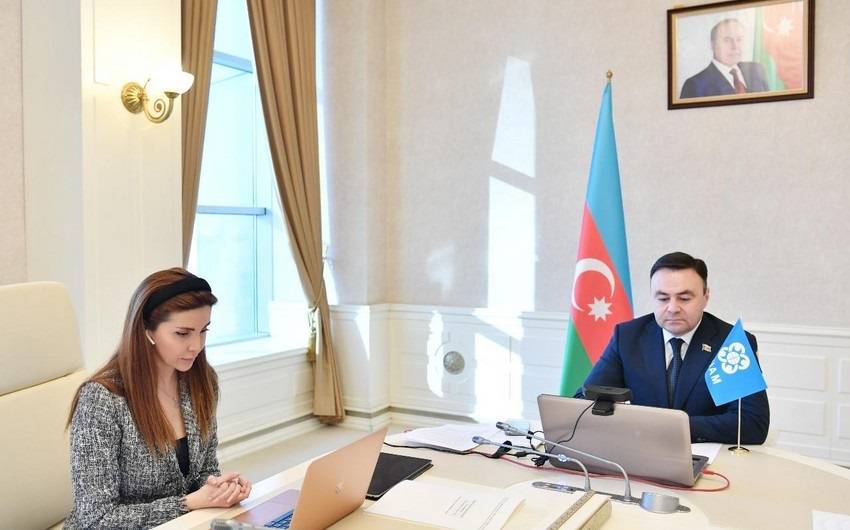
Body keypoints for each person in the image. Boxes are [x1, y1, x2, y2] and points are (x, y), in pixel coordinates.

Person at [65, 268, 252, 529]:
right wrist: (187, 504)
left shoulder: (202, 381)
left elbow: (204, 470)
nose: (197, 346)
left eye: (203, 330)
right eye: (183, 333)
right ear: (147, 330)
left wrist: (220, 489)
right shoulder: (102, 400)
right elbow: (96, 519)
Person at [577, 252, 770, 444]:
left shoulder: (731, 342)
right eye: (662, 299)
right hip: (640, 449)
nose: (672, 308)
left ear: (705, 297)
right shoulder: (628, 336)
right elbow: (583, 402)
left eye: (684, 298)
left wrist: (672, 427)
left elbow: (753, 423)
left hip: (705, 453)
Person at [680, 18, 769, 98]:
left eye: (739, 39)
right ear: (712, 45)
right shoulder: (694, 85)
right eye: (727, 40)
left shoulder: (756, 70)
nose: (735, 46)